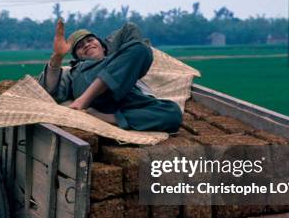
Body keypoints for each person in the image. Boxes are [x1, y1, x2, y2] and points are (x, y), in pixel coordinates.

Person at [38, 19, 183, 133]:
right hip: (91, 87)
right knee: (140, 48)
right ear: (77, 57)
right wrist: (58, 56)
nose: (87, 45)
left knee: (173, 113)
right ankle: (84, 100)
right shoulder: (74, 70)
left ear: (102, 45)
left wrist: (109, 51)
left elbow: (130, 29)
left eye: (90, 40)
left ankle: (110, 118)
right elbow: (49, 88)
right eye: (80, 46)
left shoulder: (117, 61)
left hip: (122, 94)